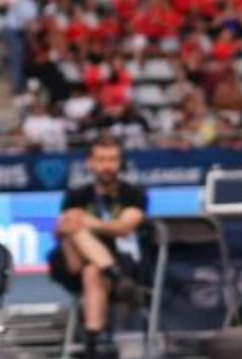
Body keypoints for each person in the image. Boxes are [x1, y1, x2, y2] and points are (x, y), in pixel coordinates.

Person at [48, 134, 148, 359]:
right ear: (90, 163)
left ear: (120, 163)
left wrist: (88, 222)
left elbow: (125, 226)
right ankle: (113, 274)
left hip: (123, 261)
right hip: (73, 262)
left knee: (93, 271)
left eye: (112, 160)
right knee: (73, 228)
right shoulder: (76, 195)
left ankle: (91, 347)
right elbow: (60, 230)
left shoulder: (133, 194)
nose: (107, 166)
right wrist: (69, 224)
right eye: (101, 160)